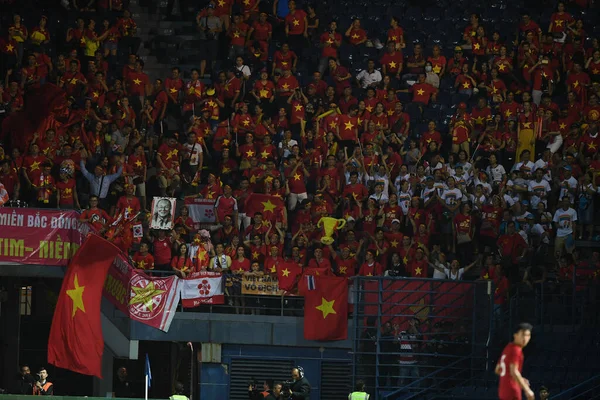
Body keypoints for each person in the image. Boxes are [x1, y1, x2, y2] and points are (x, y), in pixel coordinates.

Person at [495, 323, 534, 400]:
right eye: (522, 335)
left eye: (528, 335)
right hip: (512, 390)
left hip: (503, 391)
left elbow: (498, 370)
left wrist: (520, 379)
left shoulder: (508, 348)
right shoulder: (516, 350)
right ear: (515, 335)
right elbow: (514, 371)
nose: (525, 338)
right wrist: (527, 389)